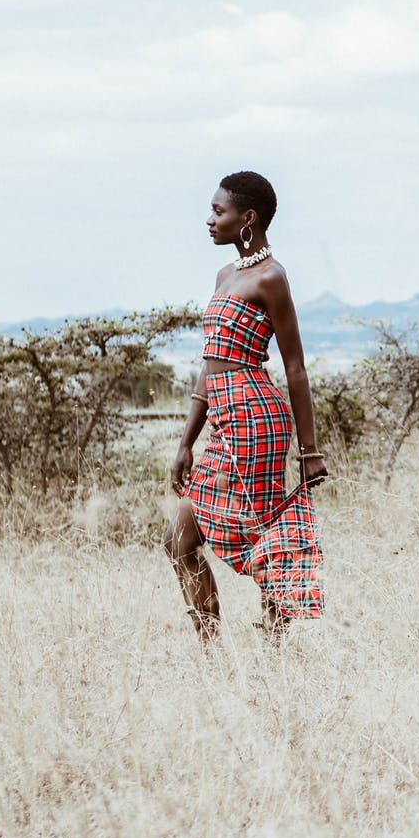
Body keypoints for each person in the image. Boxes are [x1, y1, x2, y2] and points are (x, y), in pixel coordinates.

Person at [165, 171, 326, 641]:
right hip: (224, 419)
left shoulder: (271, 278)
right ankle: (211, 654)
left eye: (219, 211)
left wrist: (310, 449)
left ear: (247, 219)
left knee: (266, 538)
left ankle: (275, 654)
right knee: (178, 541)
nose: (209, 220)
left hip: (257, 418)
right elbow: (211, 364)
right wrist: (186, 442)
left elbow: (295, 367)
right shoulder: (225, 275)